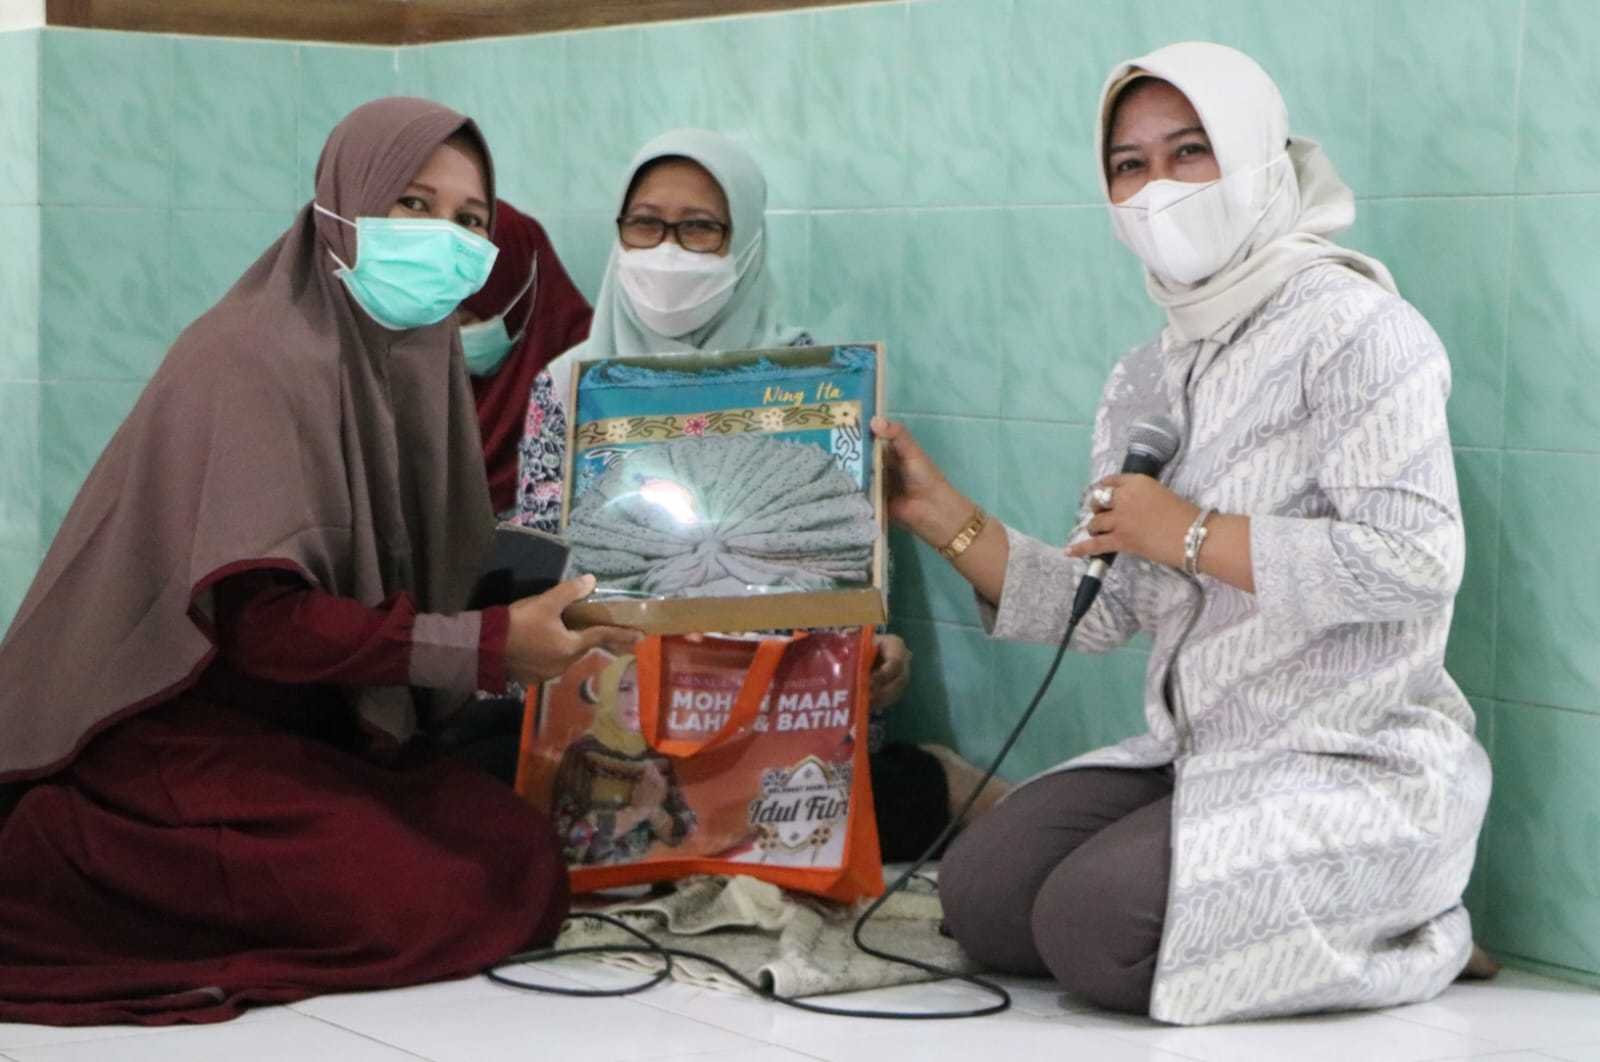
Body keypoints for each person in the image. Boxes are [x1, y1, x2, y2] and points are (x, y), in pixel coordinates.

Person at [875, 42, 1493, 1024]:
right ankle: (1266, 899)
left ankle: (1412, 924)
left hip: (1351, 760)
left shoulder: (1361, 330)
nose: (1157, 186)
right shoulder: (1146, 376)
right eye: (1129, 164)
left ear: (1257, 159)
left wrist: (1194, 534)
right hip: (1198, 755)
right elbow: (1107, 609)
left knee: (1092, 932)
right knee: (981, 897)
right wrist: (938, 516)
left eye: (1190, 151)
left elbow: (1413, 565)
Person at [0, 97, 637, 1027]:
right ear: (343, 205)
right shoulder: (253, 353)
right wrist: (490, 647)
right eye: (413, 205)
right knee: (428, 900)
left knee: (516, 853)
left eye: (470, 220)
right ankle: (56, 851)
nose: (446, 239)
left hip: (311, 732)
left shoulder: (411, 358)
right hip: (170, 733)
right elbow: (261, 627)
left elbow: (428, 574)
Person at [515, 128, 1007, 862]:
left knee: (803, 812)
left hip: (775, 707)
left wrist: (875, 658)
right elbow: (538, 574)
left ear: (744, 243)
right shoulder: (566, 388)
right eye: (645, 224)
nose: (667, 250)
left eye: (701, 228)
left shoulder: (813, 384)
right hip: (612, 704)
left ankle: (930, 783)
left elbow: (836, 573)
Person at [455, 199, 593, 518]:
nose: (448, 337)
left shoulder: (589, 380)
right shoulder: (392, 377)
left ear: (522, 300)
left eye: (466, 319)